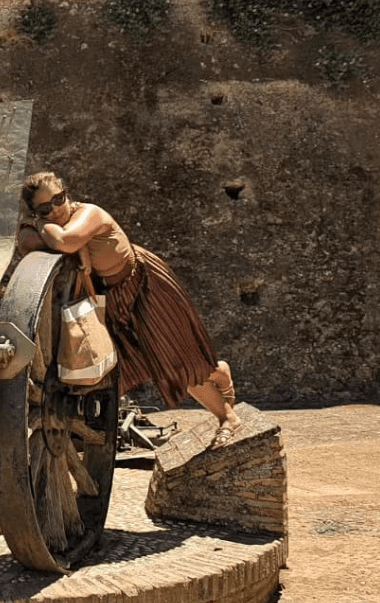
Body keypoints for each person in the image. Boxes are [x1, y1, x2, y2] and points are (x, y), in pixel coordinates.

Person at [18, 170, 241, 447]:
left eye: (59, 199)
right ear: (36, 211)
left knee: (173, 361)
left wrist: (53, 231)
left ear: (67, 193)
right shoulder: (53, 222)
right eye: (44, 208)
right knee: (151, 362)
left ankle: (227, 418)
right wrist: (61, 238)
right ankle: (217, 372)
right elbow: (28, 244)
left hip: (144, 284)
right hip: (115, 297)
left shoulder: (91, 214)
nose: (56, 208)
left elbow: (64, 241)